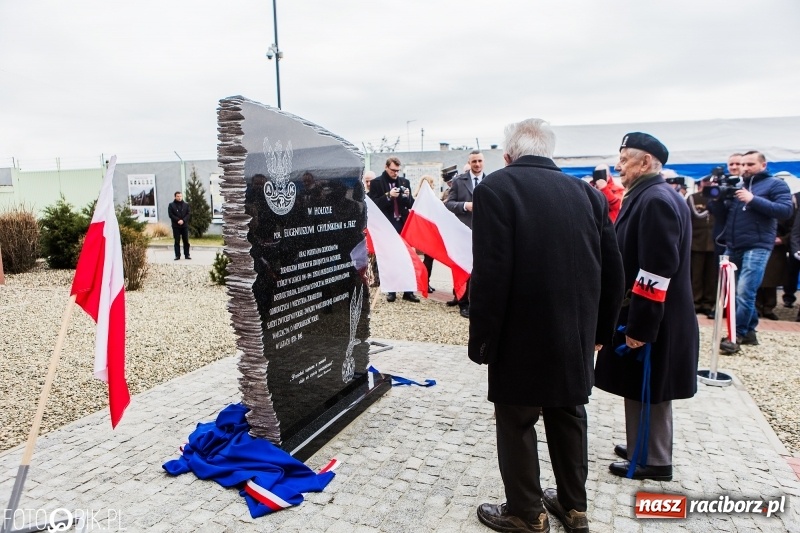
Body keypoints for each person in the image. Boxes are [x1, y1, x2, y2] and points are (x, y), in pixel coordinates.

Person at [470, 119, 624, 533]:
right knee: (569, 415)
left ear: (508, 154)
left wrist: (482, 341)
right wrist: (600, 334)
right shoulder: (588, 194)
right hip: (574, 332)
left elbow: (490, 274)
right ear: (549, 152)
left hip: (519, 333)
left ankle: (526, 511)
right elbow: (614, 270)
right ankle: (574, 507)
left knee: (517, 421)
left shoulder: (496, 189)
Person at [595, 132, 698, 483]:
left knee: (649, 386)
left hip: (654, 317)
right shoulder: (650, 194)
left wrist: (641, 326)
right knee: (638, 383)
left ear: (646, 162)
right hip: (645, 312)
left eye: (625, 160)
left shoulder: (654, 199)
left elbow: (656, 269)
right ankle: (639, 443)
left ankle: (654, 458)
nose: (618, 166)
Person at [708, 151, 793, 354]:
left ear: (763, 165)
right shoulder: (738, 185)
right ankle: (749, 332)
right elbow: (721, 216)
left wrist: (753, 199)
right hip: (733, 244)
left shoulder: (775, 185)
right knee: (734, 291)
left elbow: (785, 211)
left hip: (758, 245)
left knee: (745, 291)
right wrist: (717, 199)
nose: (744, 168)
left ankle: (735, 335)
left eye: (750, 164)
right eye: (743, 164)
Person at [367, 157, 419, 303]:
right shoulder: (377, 183)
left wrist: (407, 197)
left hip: (403, 223)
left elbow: (410, 204)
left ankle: (408, 291)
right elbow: (373, 205)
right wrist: (388, 196)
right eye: (393, 170)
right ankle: (392, 291)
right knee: (389, 258)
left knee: (407, 257)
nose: (396, 173)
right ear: (386, 167)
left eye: (397, 170)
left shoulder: (404, 182)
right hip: (387, 225)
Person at [446, 150, 484, 318]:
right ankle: (463, 303)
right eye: (474, 161)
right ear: (470, 162)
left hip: (483, 232)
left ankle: (477, 300)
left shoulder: (490, 181)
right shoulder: (459, 181)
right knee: (463, 267)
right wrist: (465, 206)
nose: (477, 164)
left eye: (480, 161)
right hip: (463, 231)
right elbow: (449, 204)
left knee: (479, 268)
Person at [687, 176, 717, 317]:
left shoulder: (719, 196)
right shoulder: (693, 198)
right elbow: (694, 216)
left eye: (711, 182)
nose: (709, 184)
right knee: (696, 275)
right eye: (706, 182)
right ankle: (695, 301)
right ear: (700, 183)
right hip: (697, 241)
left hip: (714, 242)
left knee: (711, 275)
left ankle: (708, 303)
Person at [414, 175, 437, 293]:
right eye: (432, 184)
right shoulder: (425, 199)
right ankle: (424, 282)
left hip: (428, 233)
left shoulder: (419, 198)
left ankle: (426, 282)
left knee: (429, 260)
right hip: (427, 234)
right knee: (428, 260)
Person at [782, 190, 800, 309]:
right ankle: (789, 296)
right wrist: (796, 250)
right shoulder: (796, 197)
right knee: (792, 273)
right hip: (797, 248)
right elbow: (796, 231)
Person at [168, 191, 191, 260]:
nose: (179, 197)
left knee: (186, 241)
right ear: (175, 197)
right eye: (178, 196)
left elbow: (188, 214)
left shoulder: (186, 205)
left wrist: (183, 220)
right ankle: (177, 255)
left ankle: (187, 255)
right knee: (177, 241)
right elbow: (171, 214)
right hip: (176, 226)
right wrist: (178, 220)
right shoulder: (171, 205)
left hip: (184, 226)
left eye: (180, 196)